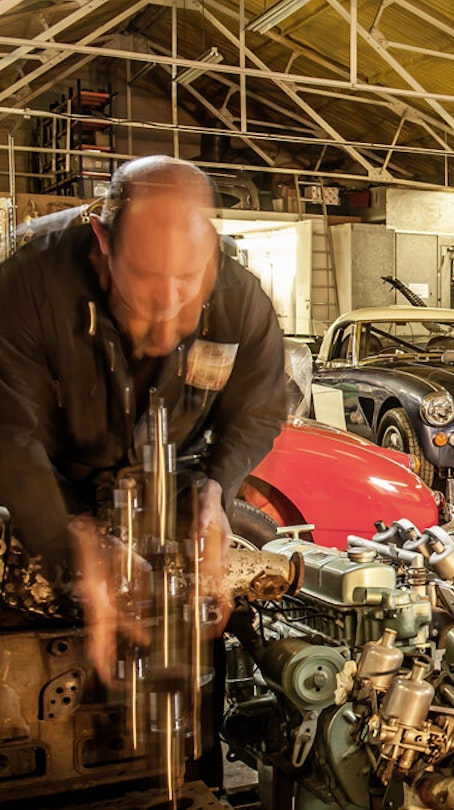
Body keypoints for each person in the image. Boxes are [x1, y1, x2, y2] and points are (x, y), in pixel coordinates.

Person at [0, 155, 288, 677]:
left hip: (171, 485)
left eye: (189, 276)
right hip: (53, 489)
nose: (168, 299)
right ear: (103, 242)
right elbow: (8, 432)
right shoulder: (29, 285)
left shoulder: (240, 300)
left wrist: (216, 490)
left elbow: (258, 411)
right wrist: (68, 536)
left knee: (188, 657)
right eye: (145, 274)